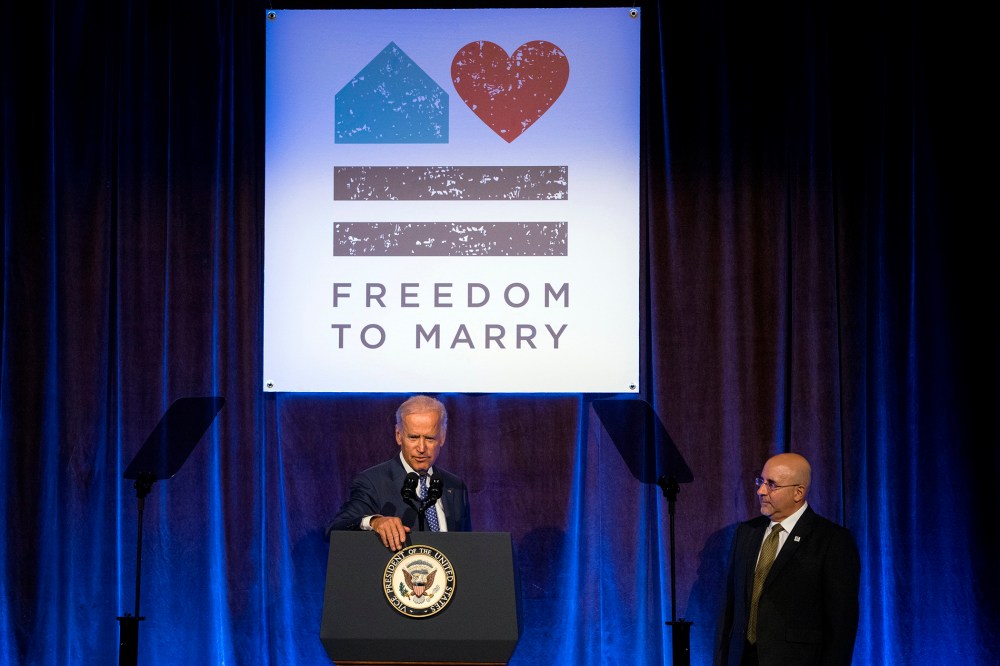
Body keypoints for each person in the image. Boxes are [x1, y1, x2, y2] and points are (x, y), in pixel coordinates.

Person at [715, 452, 860, 666]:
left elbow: (841, 624)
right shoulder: (746, 533)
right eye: (761, 481)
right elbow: (729, 607)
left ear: (798, 492)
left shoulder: (833, 540)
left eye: (772, 485)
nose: (761, 491)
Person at [326, 395, 471, 551]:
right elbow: (335, 530)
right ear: (398, 435)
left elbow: (466, 548)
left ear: (442, 437)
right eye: (413, 437)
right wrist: (374, 522)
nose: (421, 448)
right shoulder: (372, 482)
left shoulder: (455, 486)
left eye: (430, 438)